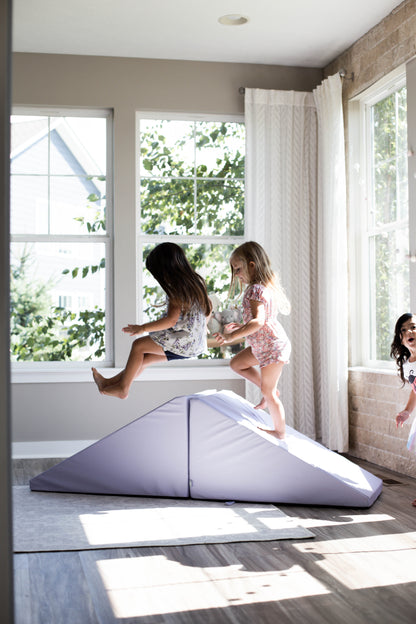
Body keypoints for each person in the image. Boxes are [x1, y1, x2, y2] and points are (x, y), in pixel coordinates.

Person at [92, 242, 211, 399]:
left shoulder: (177, 289)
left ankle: (123, 388)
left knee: (138, 346)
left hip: (183, 340)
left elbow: (170, 321)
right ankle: (109, 383)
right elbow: (209, 307)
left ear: (166, 271)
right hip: (196, 343)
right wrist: (200, 328)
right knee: (144, 358)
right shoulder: (196, 282)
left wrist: (142, 328)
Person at [214, 241, 291, 439]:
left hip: (272, 346)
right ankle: (269, 390)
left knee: (269, 391)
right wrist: (240, 327)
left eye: (238, 269)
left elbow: (258, 321)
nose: (236, 274)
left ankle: (280, 431)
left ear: (252, 265)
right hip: (262, 345)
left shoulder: (256, 289)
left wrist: (232, 336)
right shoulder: (258, 288)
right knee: (237, 364)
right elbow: (257, 322)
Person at [390, 312, 416, 507]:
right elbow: (415, 390)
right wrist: (407, 411)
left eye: (413, 327)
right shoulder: (408, 364)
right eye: (403, 329)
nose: (409, 331)